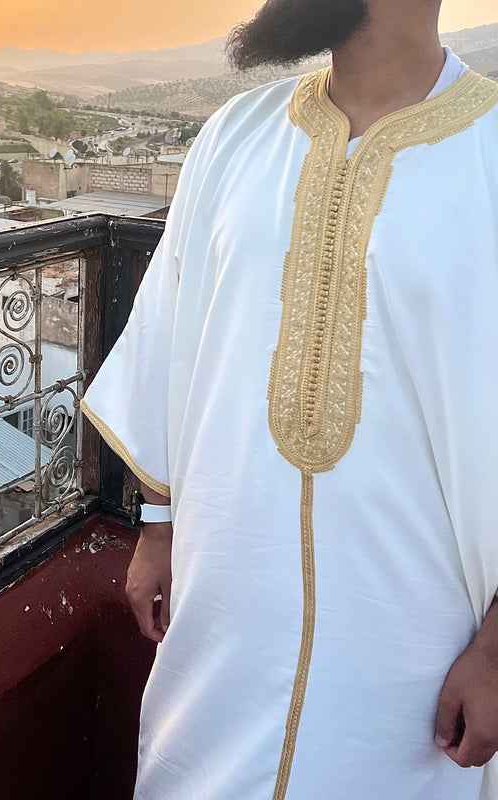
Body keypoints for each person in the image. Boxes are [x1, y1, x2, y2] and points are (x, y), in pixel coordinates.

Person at [80, 0, 498, 798]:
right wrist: (157, 526)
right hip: (222, 609)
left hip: (415, 646)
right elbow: (172, 330)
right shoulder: (235, 136)